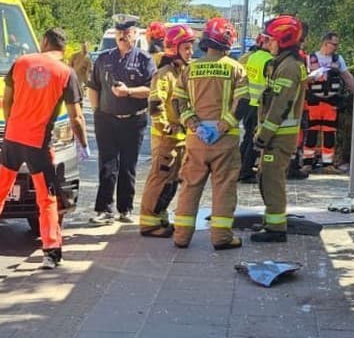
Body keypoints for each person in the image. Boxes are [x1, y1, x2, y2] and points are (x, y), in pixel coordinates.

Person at [0, 27, 89, 269]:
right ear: (62, 48)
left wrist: (11, 126)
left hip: (12, 138)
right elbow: (77, 117)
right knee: (46, 197)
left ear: (44, 42)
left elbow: (6, 100)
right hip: (38, 143)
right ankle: (51, 250)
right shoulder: (66, 73)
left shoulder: (21, 62)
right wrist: (83, 143)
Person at [170, 17, 248, 251]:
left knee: (190, 186)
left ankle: (181, 236)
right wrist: (224, 125)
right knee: (223, 187)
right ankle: (221, 237)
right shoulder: (235, 69)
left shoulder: (190, 68)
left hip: (196, 139)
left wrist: (193, 125)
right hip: (225, 140)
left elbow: (177, 102)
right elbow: (243, 101)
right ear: (228, 41)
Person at [87, 16, 155, 224]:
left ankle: (125, 209)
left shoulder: (144, 60)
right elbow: (93, 86)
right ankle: (104, 210)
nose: (123, 37)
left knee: (128, 166)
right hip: (106, 119)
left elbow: (151, 89)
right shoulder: (104, 58)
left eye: (127, 33)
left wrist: (129, 92)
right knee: (107, 165)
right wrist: (97, 111)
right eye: (119, 34)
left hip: (133, 121)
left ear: (135, 35)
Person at [251, 15, 308, 244]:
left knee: (272, 180)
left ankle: (276, 228)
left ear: (283, 40)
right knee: (266, 177)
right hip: (276, 134)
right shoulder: (283, 64)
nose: (268, 43)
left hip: (279, 136)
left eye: (271, 39)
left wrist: (263, 135)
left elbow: (279, 107)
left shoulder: (289, 68)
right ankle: (271, 221)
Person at [137, 23, 195, 237]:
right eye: (186, 48)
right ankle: (149, 223)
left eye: (191, 48)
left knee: (170, 181)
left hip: (179, 138)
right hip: (166, 138)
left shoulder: (182, 72)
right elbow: (155, 104)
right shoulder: (165, 74)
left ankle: (159, 217)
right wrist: (166, 127)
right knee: (159, 179)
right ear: (174, 48)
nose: (190, 52)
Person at [302, 31, 354, 170]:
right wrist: (312, 78)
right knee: (311, 131)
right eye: (334, 44)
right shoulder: (310, 59)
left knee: (329, 132)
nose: (336, 47)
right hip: (314, 101)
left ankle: (328, 163)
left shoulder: (338, 60)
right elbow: (302, 81)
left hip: (331, 102)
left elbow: (347, 77)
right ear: (325, 43)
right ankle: (308, 162)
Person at [237, 32, 272, 183]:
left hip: (248, 102)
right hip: (259, 105)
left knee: (247, 138)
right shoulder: (269, 60)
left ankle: (239, 169)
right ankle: (246, 171)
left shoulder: (251, 57)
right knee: (254, 140)